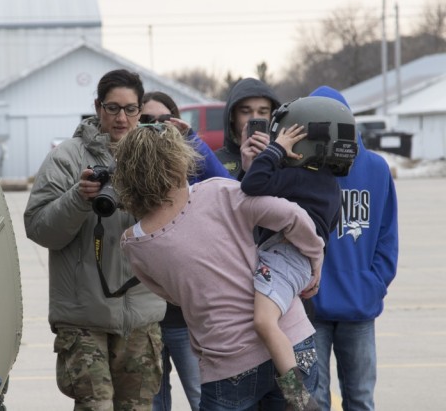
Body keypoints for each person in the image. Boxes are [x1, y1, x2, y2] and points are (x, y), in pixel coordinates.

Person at [114, 125, 325, 410]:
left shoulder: (134, 243)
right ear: (179, 160)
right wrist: (315, 257)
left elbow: (172, 295)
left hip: (227, 364)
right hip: (291, 339)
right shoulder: (217, 192)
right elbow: (292, 215)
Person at [23, 69, 166, 411]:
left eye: (130, 109)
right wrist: (78, 198)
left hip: (140, 314)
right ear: (97, 107)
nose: (121, 118)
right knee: (96, 407)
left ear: (140, 110)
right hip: (82, 315)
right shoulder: (68, 158)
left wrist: (147, 198)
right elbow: (39, 228)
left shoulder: (155, 156)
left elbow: (181, 224)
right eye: (112, 107)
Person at [240, 95, 361, 410]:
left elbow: (251, 184)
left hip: (283, 258)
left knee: (264, 322)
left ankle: (297, 396)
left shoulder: (296, 178)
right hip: (300, 262)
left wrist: (275, 150)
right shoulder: (329, 186)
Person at [308, 86, 399, 411]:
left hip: (359, 307)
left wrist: (373, 284)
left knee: (360, 399)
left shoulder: (375, 168)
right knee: (314, 402)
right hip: (311, 308)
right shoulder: (302, 168)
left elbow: (388, 235)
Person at [140, 91, 231, 411]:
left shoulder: (190, 168)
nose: (155, 128)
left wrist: (191, 139)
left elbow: (226, 186)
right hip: (144, 316)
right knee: (154, 402)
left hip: (186, 316)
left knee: (202, 397)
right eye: (146, 121)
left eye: (164, 121)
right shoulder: (131, 170)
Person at [215, 78, 281, 179]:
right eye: (245, 111)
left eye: (262, 112)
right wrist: (245, 171)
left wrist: (271, 158)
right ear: (232, 115)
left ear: (272, 116)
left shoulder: (282, 159)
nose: (254, 118)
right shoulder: (215, 162)